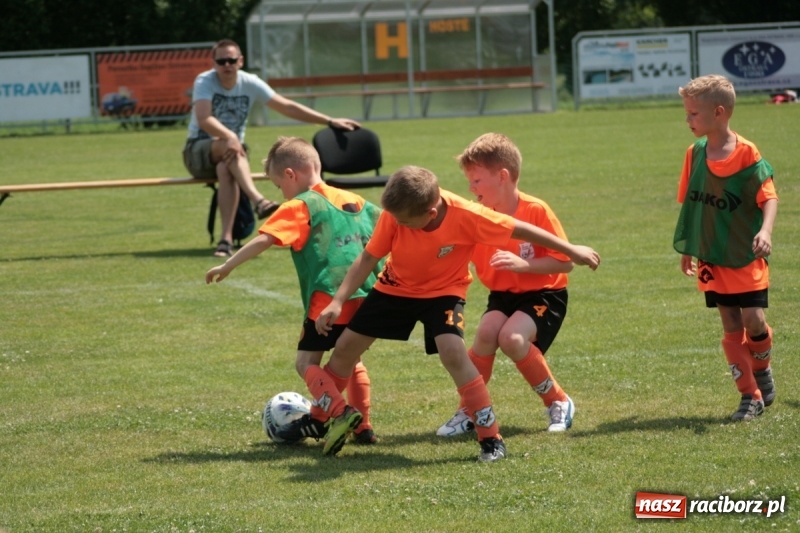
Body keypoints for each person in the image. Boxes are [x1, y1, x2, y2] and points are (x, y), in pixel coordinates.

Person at [311, 165, 601, 462]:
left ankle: (491, 438)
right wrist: (337, 301)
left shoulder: (469, 215)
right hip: (395, 287)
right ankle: (319, 419)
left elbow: (520, 228)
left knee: (453, 352)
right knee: (345, 348)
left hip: (444, 292)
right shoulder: (395, 214)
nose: (396, 223)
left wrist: (570, 249)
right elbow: (369, 256)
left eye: (404, 221)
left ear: (430, 214)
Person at [205, 136, 382, 444]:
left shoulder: (300, 205)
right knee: (352, 361)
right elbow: (389, 231)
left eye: (278, 185)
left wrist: (228, 265)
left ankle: (339, 412)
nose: (281, 193)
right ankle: (363, 427)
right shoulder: (357, 201)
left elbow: (265, 238)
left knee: (306, 363)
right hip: (367, 297)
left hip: (327, 302)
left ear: (290, 175)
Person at [436, 133, 578, 439]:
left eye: (476, 181)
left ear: (503, 177)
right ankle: (470, 410)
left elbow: (565, 261)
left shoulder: (535, 210)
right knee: (486, 334)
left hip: (544, 294)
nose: (471, 189)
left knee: (512, 338)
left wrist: (525, 266)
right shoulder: (478, 216)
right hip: (503, 295)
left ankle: (558, 401)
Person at [184, 38, 361, 258]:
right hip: (197, 152)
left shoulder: (250, 82)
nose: (227, 65)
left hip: (231, 159)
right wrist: (230, 136)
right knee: (230, 147)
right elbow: (203, 118)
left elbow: (286, 106)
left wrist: (329, 120)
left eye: (231, 60)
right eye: (221, 61)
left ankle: (225, 241)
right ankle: (259, 200)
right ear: (214, 63)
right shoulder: (205, 81)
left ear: (241, 61)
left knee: (225, 169)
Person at [674, 74, 778, 421]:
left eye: (693, 114)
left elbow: (769, 195)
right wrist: (689, 246)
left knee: (754, 320)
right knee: (731, 323)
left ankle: (761, 367)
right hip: (713, 256)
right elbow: (691, 202)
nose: (687, 120)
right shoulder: (696, 153)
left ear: (718, 113)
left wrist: (765, 230)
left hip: (745, 252)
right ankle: (750, 395)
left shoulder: (747, 153)